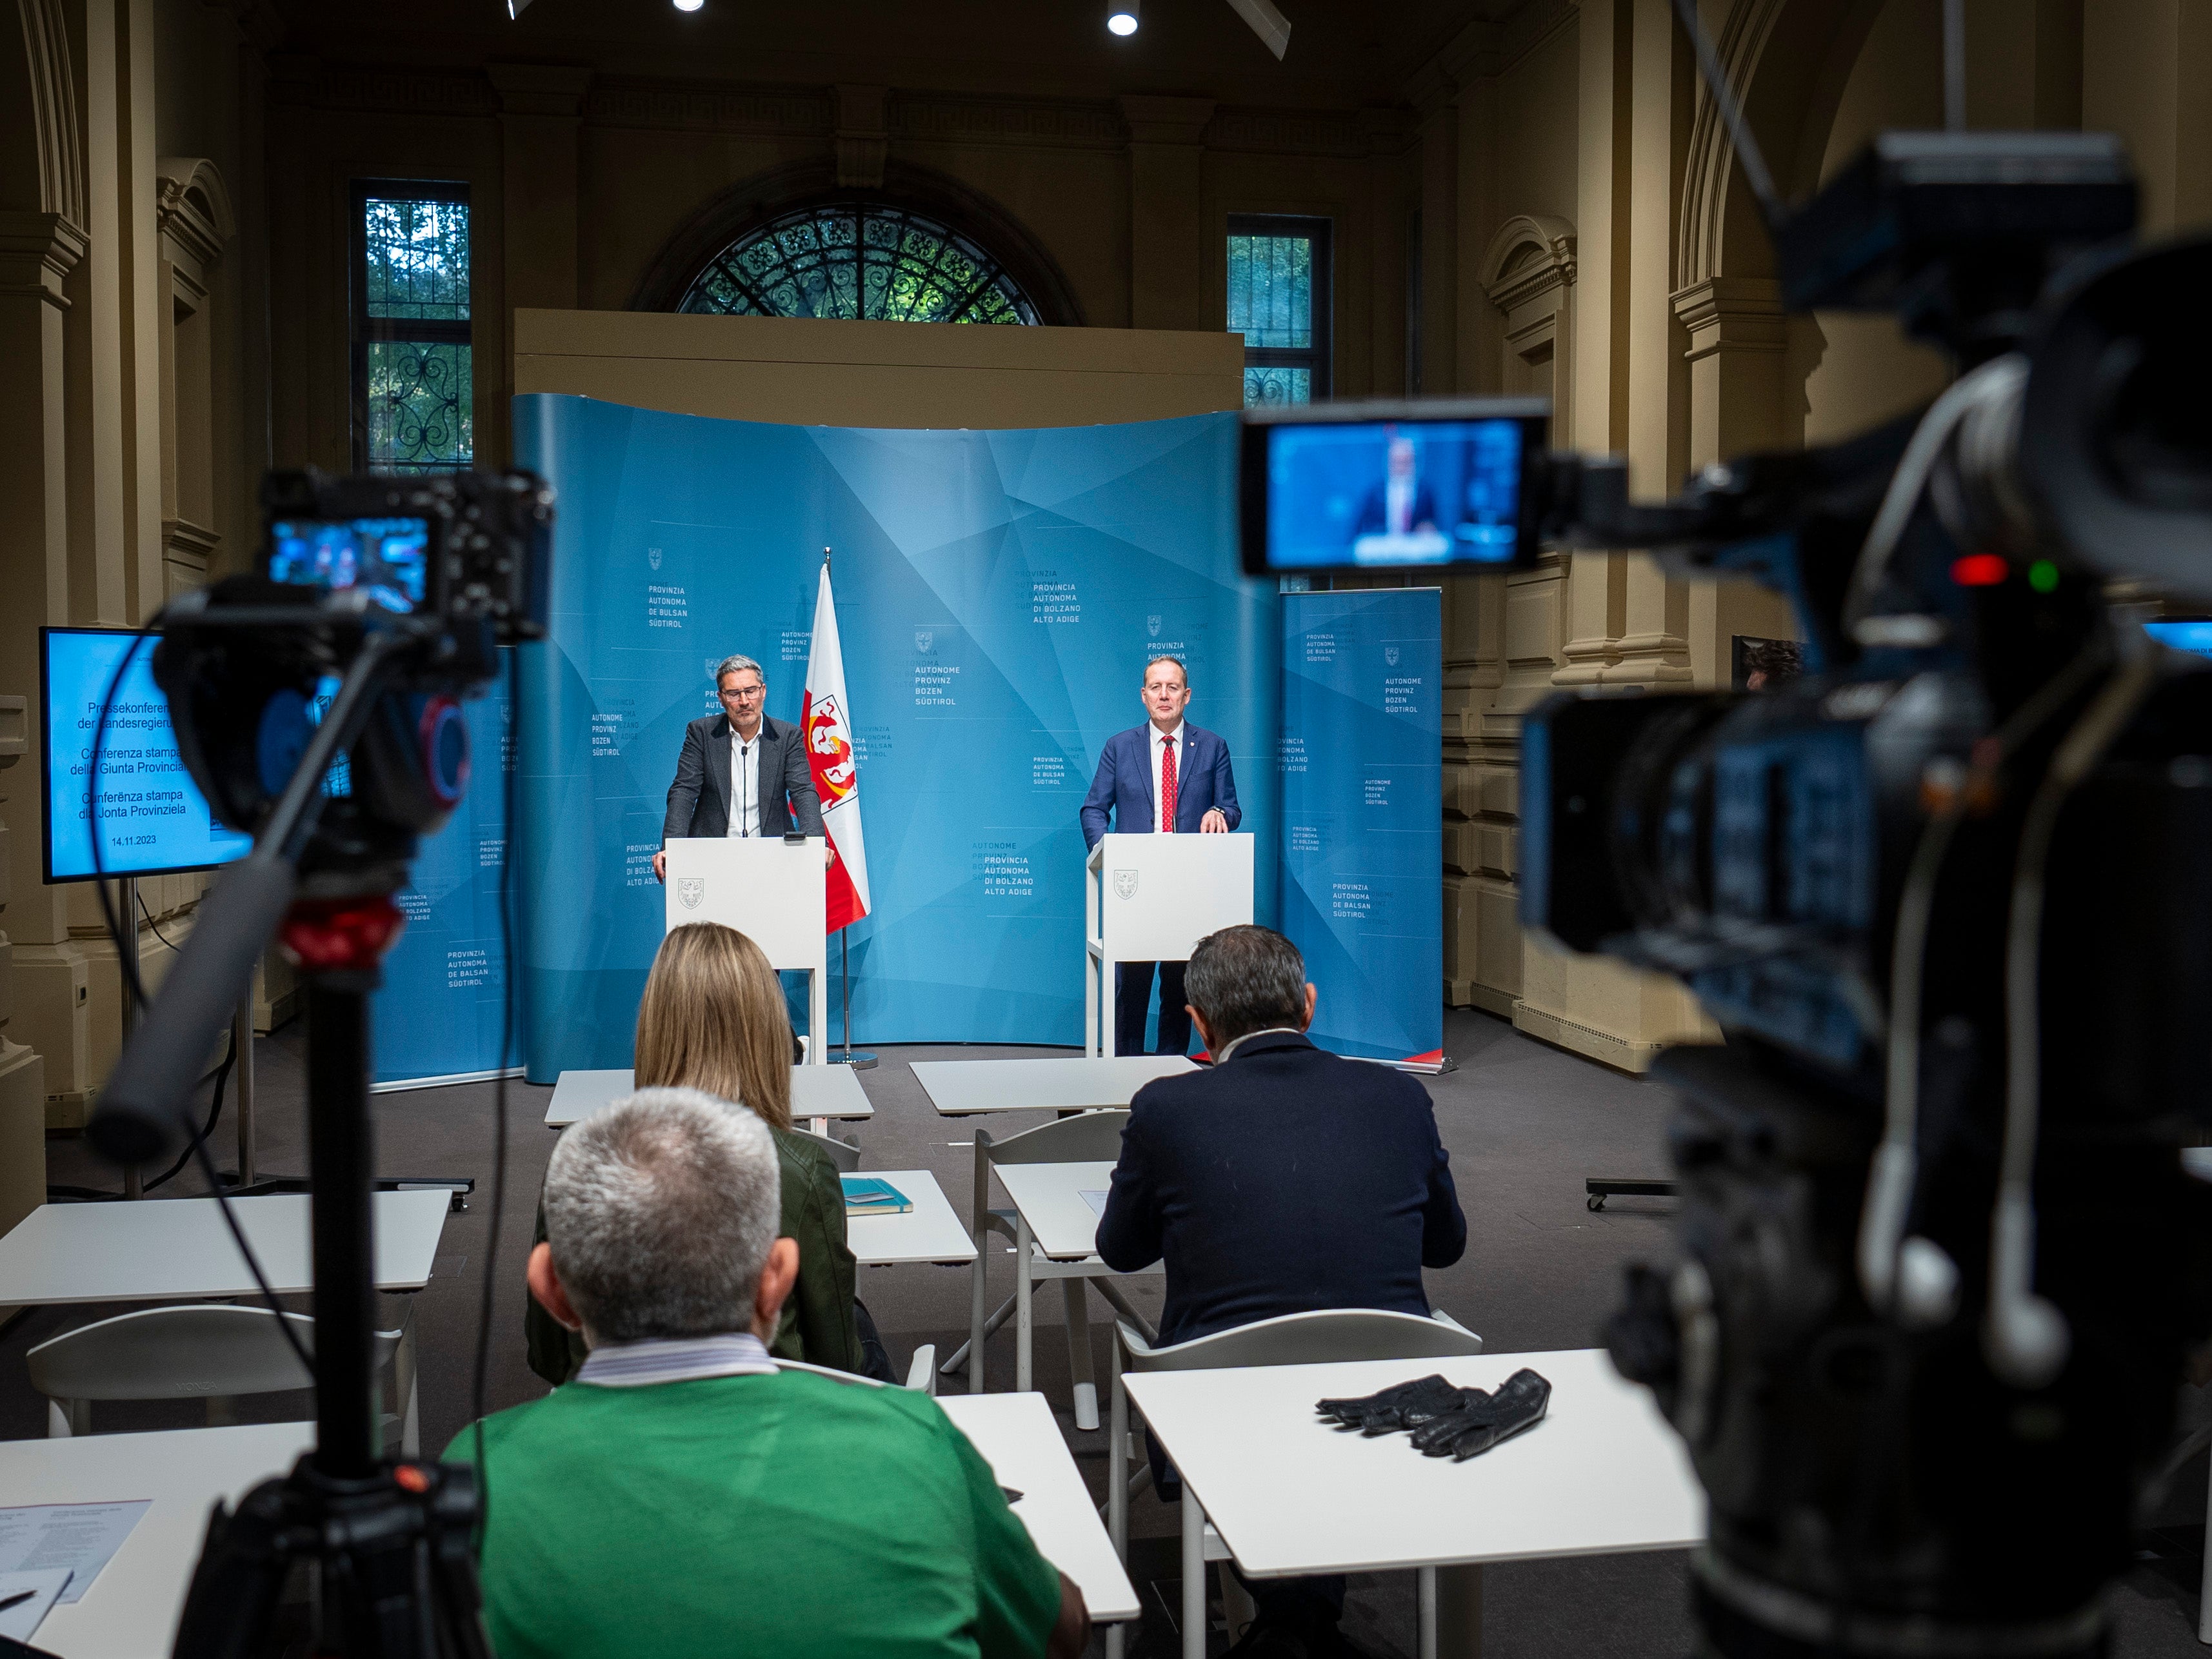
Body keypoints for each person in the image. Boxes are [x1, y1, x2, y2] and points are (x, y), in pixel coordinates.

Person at [455, 1089, 1090, 1659]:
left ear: (550, 1288)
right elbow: (1057, 1630)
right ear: (778, 1278)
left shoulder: (473, 1479)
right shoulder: (915, 1444)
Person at [1095, 924, 1466, 1656]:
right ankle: (1303, 1620)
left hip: (1222, 1420)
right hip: (1387, 1404)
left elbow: (1120, 1248)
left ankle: (1286, 1624)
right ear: (1310, 1004)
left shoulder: (1167, 1109)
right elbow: (1445, 1246)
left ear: (1197, 1023)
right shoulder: (1398, 1097)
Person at [525, 922, 877, 1383]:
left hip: (610, 1435)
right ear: (769, 1034)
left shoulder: (581, 1163)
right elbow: (837, 1363)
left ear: (654, 1026)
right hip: (769, 1429)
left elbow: (549, 1358)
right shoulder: (798, 1172)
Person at [1078, 655, 1241, 1056]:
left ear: (1186, 696)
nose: (1164, 695)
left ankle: (1171, 1078)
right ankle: (1124, 1076)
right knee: (1130, 991)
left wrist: (1219, 813)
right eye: (1156, 687)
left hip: (1189, 887)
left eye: (1173, 687)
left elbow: (1232, 809)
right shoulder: (1119, 747)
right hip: (1133, 887)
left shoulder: (1212, 746)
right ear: (1144, 696)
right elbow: (1093, 809)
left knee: (1180, 991)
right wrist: (1108, 854)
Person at [652, 653, 824, 884]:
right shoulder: (701, 733)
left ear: (763, 691)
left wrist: (816, 844)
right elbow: (684, 791)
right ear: (721, 698)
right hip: (712, 857)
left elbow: (803, 791)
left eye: (751, 691)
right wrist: (672, 847)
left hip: (774, 857)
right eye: (734, 694)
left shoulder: (787, 736)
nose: (744, 701)